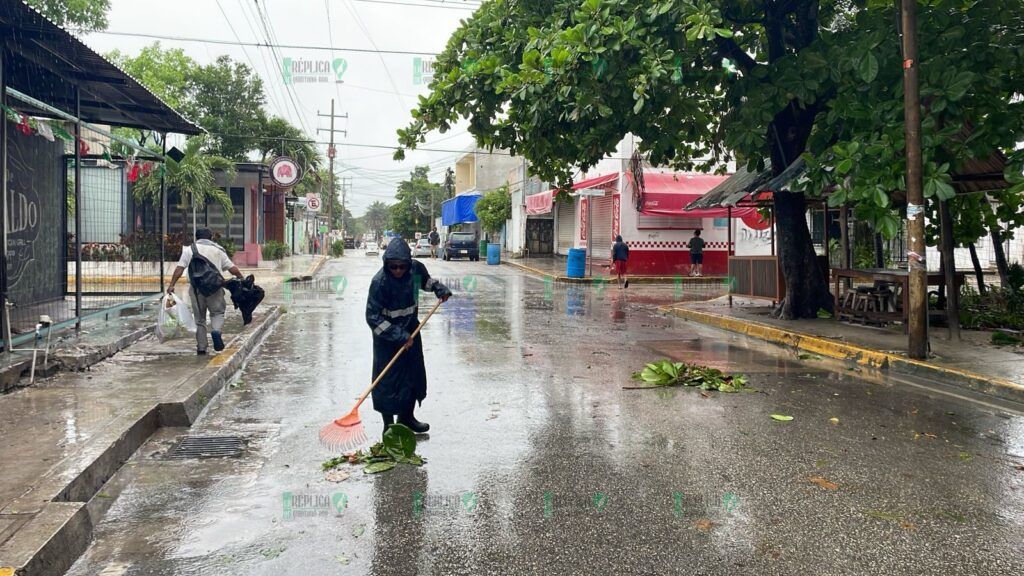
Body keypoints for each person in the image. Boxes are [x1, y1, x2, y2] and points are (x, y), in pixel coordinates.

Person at [366, 237, 452, 435]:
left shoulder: (415, 269)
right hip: (387, 339)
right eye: (393, 267)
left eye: (401, 266)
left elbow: (426, 282)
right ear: (387, 264)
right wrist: (398, 336)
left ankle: (406, 418)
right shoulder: (380, 283)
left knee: (412, 376)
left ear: (408, 263)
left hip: (412, 332)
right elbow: (372, 317)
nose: (398, 270)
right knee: (387, 380)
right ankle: (389, 426)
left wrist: (439, 289)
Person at [166, 228, 245, 355]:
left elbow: (179, 268)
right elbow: (232, 268)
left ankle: (201, 347)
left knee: (199, 319)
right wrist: (242, 278)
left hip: (196, 290)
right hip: (215, 288)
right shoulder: (218, 250)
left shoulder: (189, 250)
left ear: (197, 238)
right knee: (217, 312)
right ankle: (216, 331)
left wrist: (172, 285)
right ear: (211, 237)